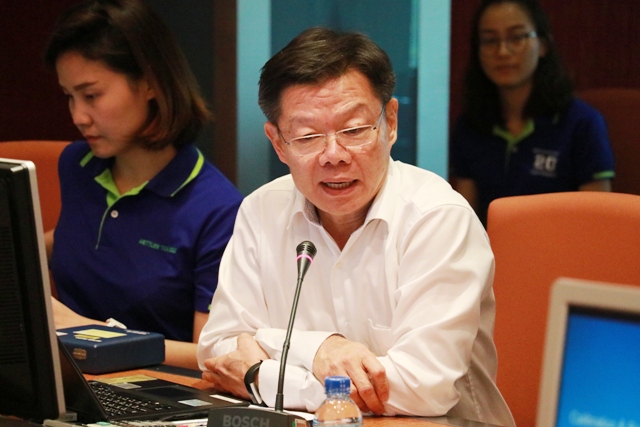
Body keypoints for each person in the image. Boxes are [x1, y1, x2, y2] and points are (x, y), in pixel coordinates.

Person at [196, 27, 515, 426]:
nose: (334, 155)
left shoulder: (437, 218)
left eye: (354, 130)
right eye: (308, 136)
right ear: (278, 143)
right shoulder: (262, 210)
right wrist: (323, 351)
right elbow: (219, 349)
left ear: (390, 122)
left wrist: (266, 370)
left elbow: (422, 388)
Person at [43, 0, 243, 370]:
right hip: (65, 378)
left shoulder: (217, 209)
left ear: (150, 83)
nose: (78, 116)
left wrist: (85, 332)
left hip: (153, 390)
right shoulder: (77, 164)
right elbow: (80, 238)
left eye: (91, 95)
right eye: (69, 97)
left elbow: (211, 357)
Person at [450, 0, 615, 225]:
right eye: (490, 40)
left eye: (516, 38)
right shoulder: (470, 125)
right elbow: (465, 219)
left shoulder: (582, 124)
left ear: (543, 45)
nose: (502, 51)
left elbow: (597, 220)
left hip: (561, 243)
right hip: (489, 245)